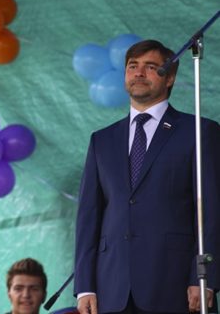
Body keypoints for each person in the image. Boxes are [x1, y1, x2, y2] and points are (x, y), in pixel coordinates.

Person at [74, 40, 220, 314]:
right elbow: (88, 218)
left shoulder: (199, 131)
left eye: (151, 67)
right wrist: (85, 287)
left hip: (176, 286)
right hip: (112, 290)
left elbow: (212, 212)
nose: (139, 73)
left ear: (170, 77)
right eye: (133, 66)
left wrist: (205, 279)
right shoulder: (101, 141)